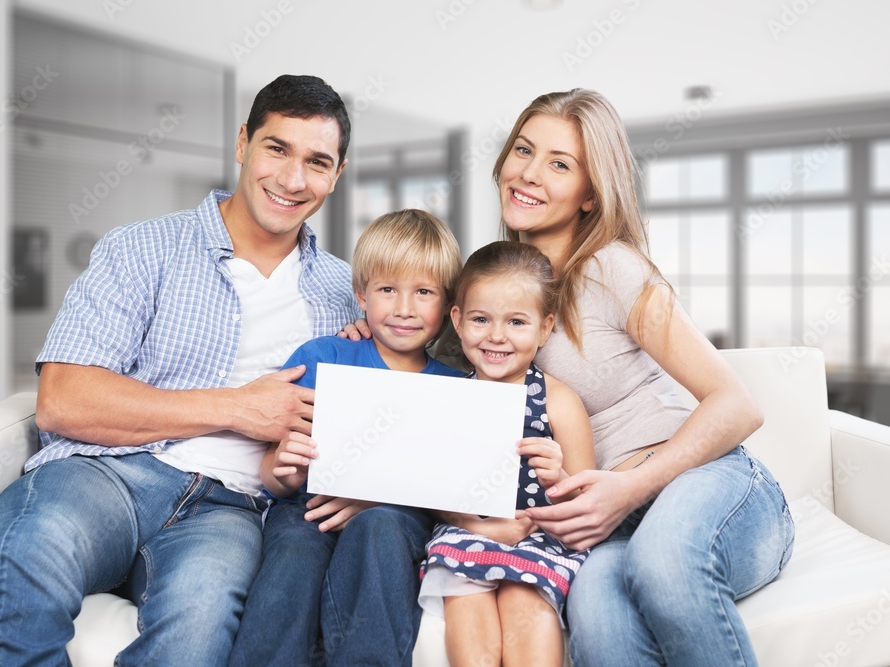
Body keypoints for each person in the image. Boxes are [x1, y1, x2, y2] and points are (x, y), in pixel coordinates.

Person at [0, 74, 359, 666]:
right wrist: (237, 407)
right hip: (107, 475)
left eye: (317, 161)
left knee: (197, 628)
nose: (293, 179)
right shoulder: (142, 249)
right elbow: (63, 400)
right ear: (242, 143)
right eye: (277, 149)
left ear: (337, 174)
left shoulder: (348, 291)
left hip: (233, 510)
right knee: (28, 548)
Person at [499, 90, 795, 666]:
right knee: (597, 622)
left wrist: (630, 489)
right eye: (523, 150)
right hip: (612, 527)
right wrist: (373, 329)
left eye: (560, 164)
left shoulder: (611, 268)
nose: (529, 173)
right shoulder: (500, 287)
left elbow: (738, 404)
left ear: (590, 194)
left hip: (713, 488)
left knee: (662, 561)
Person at [229, 209, 465, 667]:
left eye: (423, 292)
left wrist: (375, 496)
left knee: (380, 529)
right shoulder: (322, 357)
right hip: (308, 509)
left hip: (395, 517)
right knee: (294, 553)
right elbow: (273, 475)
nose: (403, 308)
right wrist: (284, 471)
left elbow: (447, 489)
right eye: (387, 290)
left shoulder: (453, 386)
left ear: (448, 306)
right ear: (361, 294)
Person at [417, 241, 594, 667]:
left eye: (517, 322)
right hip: (468, 534)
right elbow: (428, 492)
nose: (496, 336)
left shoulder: (558, 400)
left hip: (542, 537)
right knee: (467, 606)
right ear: (457, 321)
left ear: (545, 327)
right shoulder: (448, 398)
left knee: (526, 605)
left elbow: (589, 502)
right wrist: (479, 527)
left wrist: (558, 478)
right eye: (481, 319)